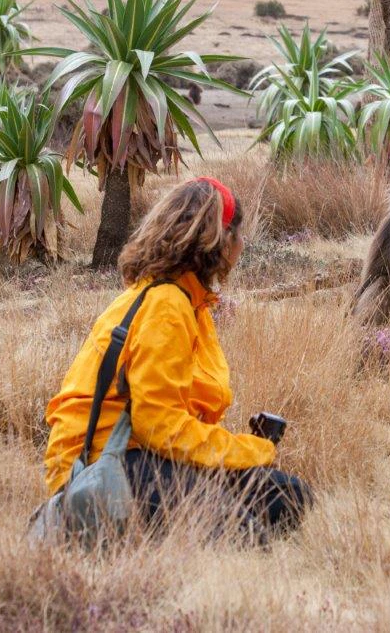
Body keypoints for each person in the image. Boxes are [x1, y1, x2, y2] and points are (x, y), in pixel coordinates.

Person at [43, 177, 311, 540]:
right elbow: (158, 425)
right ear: (219, 240)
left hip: (146, 455)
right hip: (106, 465)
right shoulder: (167, 304)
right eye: (238, 234)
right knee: (243, 534)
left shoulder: (189, 301)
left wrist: (238, 455)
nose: (243, 244)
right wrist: (244, 451)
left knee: (290, 497)